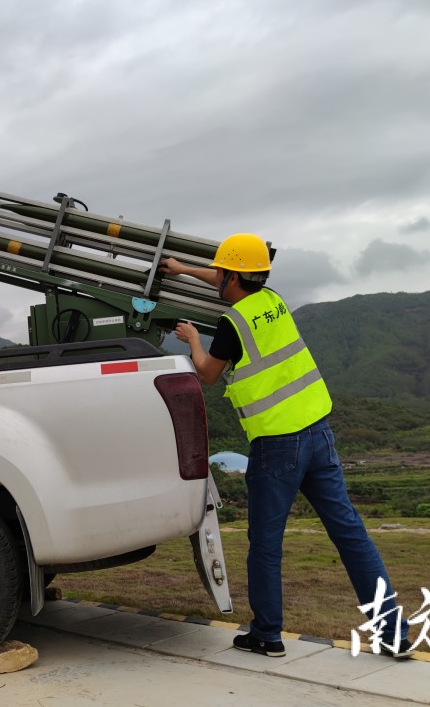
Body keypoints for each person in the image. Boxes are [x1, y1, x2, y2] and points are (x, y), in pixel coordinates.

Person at [159, 234, 409, 659]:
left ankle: (267, 635)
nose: (215, 276)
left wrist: (191, 339)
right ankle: (393, 633)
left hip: (277, 445)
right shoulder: (273, 298)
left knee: (267, 543)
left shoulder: (230, 324)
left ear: (231, 275)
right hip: (318, 433)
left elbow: (207, 374)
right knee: (350, 534)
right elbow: (228, 276)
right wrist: (183, 269)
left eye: (219, 272)